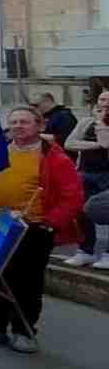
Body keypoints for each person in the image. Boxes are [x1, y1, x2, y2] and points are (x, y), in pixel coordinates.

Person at [0, 106, 83, 354]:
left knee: (27, 281)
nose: (18, 126)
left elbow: (72, 196)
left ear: (40, 126)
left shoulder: (55, 158)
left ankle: (24, 331)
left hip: (31, 228)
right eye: (13, 122)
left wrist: (49, 222)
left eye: (24, 122)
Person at [62, 91, 109, 268]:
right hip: (85, 171)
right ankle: (86, 251)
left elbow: (106, 143)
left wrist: (101, 126)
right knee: (81, 211)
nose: (105, 103)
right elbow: (70, 143)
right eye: (102, 99)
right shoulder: (86, 122)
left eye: (108, 100)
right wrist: (95, 144)